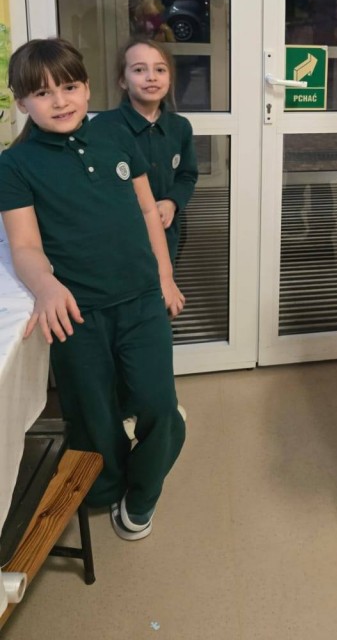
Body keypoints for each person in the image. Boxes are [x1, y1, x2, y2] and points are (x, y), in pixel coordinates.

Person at [0, 38, 186, 542]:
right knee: (92, 414)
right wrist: (45, 287)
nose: (59, 101)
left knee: (158, 407)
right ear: (21, 102)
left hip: (141, 300)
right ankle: (106, 488)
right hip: (77, 313)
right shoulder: (14, 165)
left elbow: (147, 210)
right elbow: (24, 246)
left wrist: (165, 276)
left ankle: (141, 495)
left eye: (69, 87)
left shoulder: (115, 135)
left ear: (86, 87)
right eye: (42, 93)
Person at [98, 38, 198, 265]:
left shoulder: (180, 127)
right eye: (139, 70)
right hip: (119, 236)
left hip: (166, 231)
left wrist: (172, 202)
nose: (151, 77)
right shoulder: (104, 127)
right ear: (123, 80)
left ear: (170, 78)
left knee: (163, 281)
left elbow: (187, 176)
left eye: (160, 70)